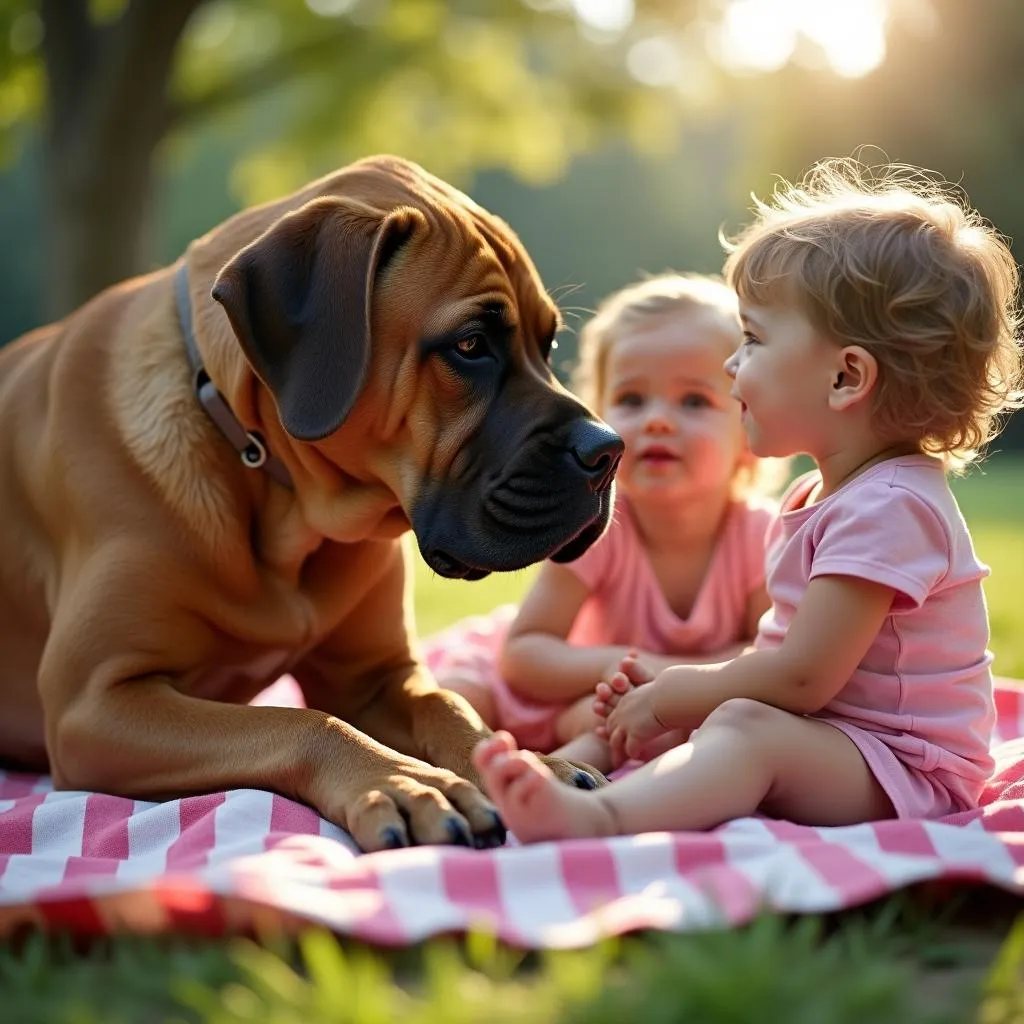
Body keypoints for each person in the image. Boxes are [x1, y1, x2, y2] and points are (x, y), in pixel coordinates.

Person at [472, 158, 1024, 842]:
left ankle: (601, 816)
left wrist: (687, 688)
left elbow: (800, 680)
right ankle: (568, 771)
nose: (734, 366)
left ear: (846, 376)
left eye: (754, 341)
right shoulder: (830, 494)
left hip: (907, 772)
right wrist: (679, 694)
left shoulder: (890, 507)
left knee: (743, 726)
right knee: (717, 714)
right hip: (837, 742)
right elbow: (778, 664)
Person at [431, 273, 782, 774]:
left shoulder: (759, 538)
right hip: (546, 684)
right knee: (459, 697)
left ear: (749, 427)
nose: (657, 420)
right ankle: (435, 772)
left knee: (632, 732)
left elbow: (766, 654)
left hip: (614, 711)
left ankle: (541, 785)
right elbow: (524, 654)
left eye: (694, 401)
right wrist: (616, 665)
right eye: (632, 400)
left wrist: (665, 681)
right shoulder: (601, 526)